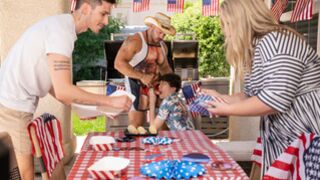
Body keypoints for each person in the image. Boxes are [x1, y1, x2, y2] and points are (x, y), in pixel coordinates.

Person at [0, 0, 133, 179]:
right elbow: (64, 90)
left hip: (12, 103)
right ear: (86, 8)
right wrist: (110, 101)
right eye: (103, 13)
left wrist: (90, 109)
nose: (107, 21)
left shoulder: (61, 28)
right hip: (12, 105)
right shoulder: (61, 32)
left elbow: (55, 87)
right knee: (24, 174)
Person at [204, 0, 320, 176]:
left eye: (226, 23)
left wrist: (228, 109)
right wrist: (218, 98)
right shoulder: (258, 45)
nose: (224, 30)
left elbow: (275, 100)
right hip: (285, 139)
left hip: (308, 138)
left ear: (242, 20)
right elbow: (250, 95)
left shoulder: (277, 41)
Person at [114, 12, 175, 128]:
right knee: (136, 127)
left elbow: (165, 68)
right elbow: (118, 64)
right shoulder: (135, 41)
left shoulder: (162, 46)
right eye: (160, 32)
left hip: (157, 88)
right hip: (136, 86)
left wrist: (173, 85)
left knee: (164, 127)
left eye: (165, 34)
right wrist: (142, 76)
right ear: (151, 26)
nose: (162, 37)